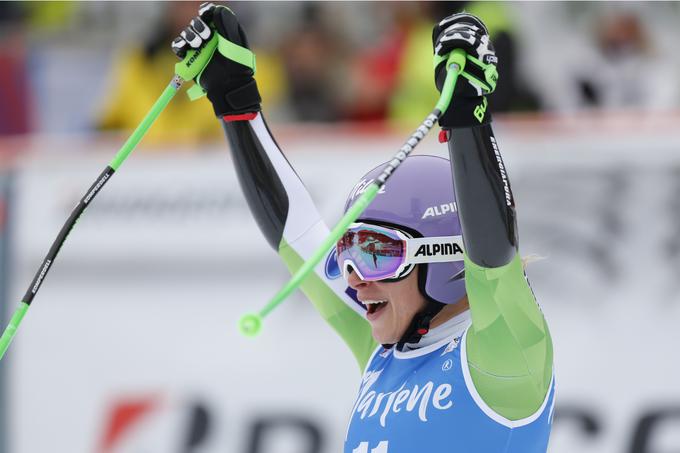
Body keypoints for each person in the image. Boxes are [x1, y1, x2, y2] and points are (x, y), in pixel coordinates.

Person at [172, 4, 554, 452]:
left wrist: (468, 117)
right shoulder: (384, 351)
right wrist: (234, 99)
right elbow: (299, 236)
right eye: (346, 253)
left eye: (375, 252)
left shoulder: (506, 355)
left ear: (443, 257)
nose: (353, 278)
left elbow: (492, 258)